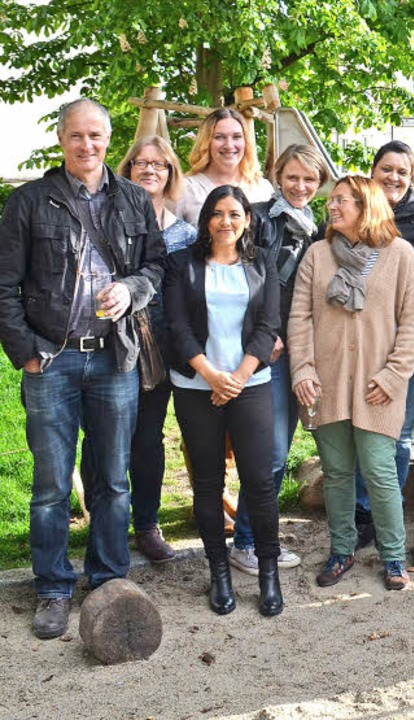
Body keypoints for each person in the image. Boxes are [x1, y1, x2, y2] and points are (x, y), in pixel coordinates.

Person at [0, 98, 166, 639]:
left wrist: (133, 288)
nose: (87, 145)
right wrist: (25, 349)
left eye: (96, 136)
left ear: (108, 139)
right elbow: (4, 285)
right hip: (51, 358)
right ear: (62, 139)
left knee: (113, 481)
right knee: (51, 484)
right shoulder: (29, 201)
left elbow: (156, 266)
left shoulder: (135, 199)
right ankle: (51, 587)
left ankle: (108, 581)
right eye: (77, 136)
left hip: (115, 357)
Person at [288, 176, 414, 591]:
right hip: (325, 382)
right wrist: (303, 370)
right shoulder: (317, 254)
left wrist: (393, 374)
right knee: (337, 472)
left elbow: (411, 322)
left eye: (342, 200)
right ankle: (342, 549)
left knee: (381, 471)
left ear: (366, 205)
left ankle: (393, 556)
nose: (332, 206)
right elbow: (300, 318)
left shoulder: (400, 255)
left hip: (378, 385)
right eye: (331, 201)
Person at [163, 185, 283, 615]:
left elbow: (269, 325)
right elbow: (177, 327)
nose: (225, 221)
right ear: (206, 220)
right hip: (197, 386)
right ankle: (219, 573)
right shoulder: (182, 265)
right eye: (217, 213)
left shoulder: (262, 263)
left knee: (259, 481)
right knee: (209, 483)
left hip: (248, 384)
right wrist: (212, 375)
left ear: (247, 218)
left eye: (234, 213)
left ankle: (268, 572)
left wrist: (236, 377)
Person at [76, 135, 196, 565]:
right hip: (108, 341)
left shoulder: (184, 233)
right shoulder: (103, 217)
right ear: (126, 169)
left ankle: (146, 525)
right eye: (141, 163)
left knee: (147, 438)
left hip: (158, 348)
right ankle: (103, 523)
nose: (150, 170)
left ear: (171, 174)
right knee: (100, 438)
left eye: (160, 164)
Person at [227, 144, 330, 575]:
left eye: (310, 179)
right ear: (277, 175)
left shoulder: (321, 227)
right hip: (269, 349)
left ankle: (259, 537)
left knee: (281, 448)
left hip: (305, 347)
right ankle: (247, 541)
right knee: (266, 453)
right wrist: (265, 334)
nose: (300, 186)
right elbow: (247, 280)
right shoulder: (260, 218)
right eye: (292, 177)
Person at [350, 141, 414, 550]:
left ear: (411, 176)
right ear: (373, 171)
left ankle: (383, 509)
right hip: (361, 342)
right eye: (386, 169)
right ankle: (359, 511)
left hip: (411, 345)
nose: (393, 178)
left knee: (399, 433)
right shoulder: (353, 216)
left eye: (402, 172)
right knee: (362, 428)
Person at [177, 108, 274, 225]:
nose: (229, 145)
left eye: (237, 137)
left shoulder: (263, 188)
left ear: (246, 142)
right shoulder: (185, 189)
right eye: (219, 137)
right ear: (206, 142)